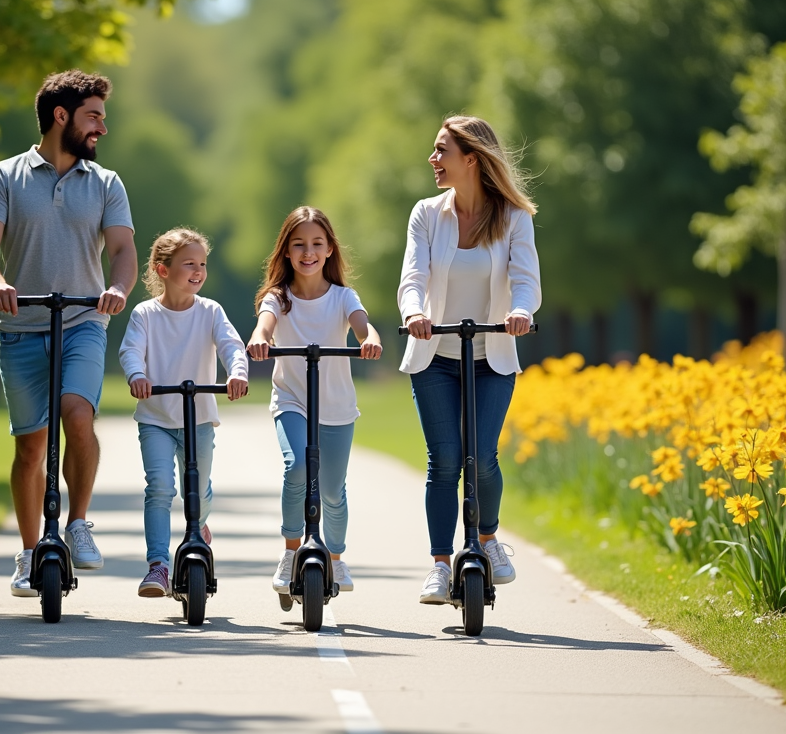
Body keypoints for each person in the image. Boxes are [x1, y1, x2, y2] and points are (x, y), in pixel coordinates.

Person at [0, 70, 137, 597]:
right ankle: (26, 554)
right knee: (30, 446)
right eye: (94, 117)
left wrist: (119, 288)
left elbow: (124, 251)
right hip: (21, 327)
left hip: (85, 321)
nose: (101, 129)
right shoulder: (4, 176)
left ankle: (78, 522)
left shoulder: (106, 183)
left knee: (78, 414)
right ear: (60, 117)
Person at [398, 115, 541, 605]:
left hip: (491, 354)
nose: (433, 160)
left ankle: (486, 539)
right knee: (445, 461)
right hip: (435, 355)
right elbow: (413, 276)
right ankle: (440, 565)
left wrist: (521, 310)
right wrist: (414, 312)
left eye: (442, 151)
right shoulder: (426, 213)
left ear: (472, 159)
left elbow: (526, 279)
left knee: (481, 457)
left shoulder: (513, 218)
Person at [247, 206, 383, 594]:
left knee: (332, 491)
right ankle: (292, 551)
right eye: (299, 244)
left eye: (316, 244)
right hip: (292, 399)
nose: (308, 252)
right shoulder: (279, 297)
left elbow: (361, 324)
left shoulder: (343, 297)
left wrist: (368, 338)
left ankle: (336, 559)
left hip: (336, 406)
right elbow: (266, 322)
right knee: (297, 468)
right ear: (286, 252)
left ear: (329, 250)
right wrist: (261, 338)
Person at [120, 228, 249, 597]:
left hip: (199, 417)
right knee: (159, 488)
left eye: (202, 264)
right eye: (189, 263)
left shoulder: (210, 311)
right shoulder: (146, 314)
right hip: (156, 418)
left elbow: (230, 345)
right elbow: (131, 350)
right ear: (163, 270)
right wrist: (137, 374)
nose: (198, 270)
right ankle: (158, 565)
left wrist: (237, 372)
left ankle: (199, 527)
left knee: (200, 490)